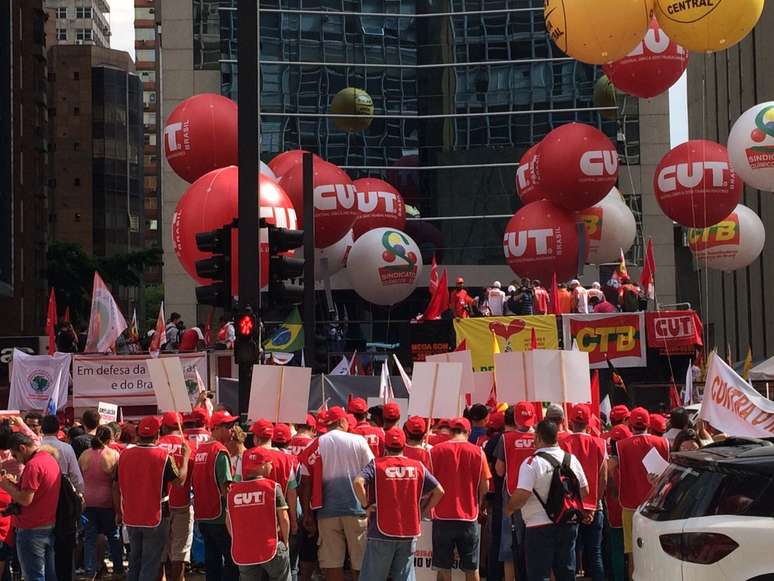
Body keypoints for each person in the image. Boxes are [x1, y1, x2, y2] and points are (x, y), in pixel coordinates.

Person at [354, 427, 444, 581]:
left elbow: (358, 482)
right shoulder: (418, 466)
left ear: (385, 446)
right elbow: (440, 491)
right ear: (404, 445)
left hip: (380, 532)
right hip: (409, 532)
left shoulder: (377, 464)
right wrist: (423, 511)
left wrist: (366, 506)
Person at [506, 420, 589, 581]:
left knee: (539, 574)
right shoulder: (572, 460)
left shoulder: (532, 463)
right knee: (566, 573)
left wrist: (509, 509)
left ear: (537, 437)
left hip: (538, 527)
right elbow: (585, 491)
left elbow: (522, 495)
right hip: (567, 522)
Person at [299, 406, 373, 581]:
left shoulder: (315, 444)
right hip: (357, 509)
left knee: (332, 563)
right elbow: (372, 472)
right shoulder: (359, 441)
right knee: (360, 561)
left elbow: (306, 481)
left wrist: (308, 513)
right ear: (342, 421)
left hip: (326, 512)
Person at [117, 416, 190, 581]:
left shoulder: (124, 455)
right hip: (155, 516)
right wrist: (185, 458)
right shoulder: (163, 456)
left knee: (135, 560)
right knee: (150, 562)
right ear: (158, 434)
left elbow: (116, 484)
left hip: (131, 516)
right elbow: (180, 481)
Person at [430, 417, 491, 581]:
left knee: (443, 570)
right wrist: (480, 504)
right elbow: (485, 486)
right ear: (468, 432)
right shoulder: (478, 452)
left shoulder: (435, 451)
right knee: (472, 569)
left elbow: (429, 486)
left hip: (442, 516)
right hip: (469, 516)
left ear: (450, 432)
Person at [616, 407, 669, 578]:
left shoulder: (621, 445)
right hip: (657, 507)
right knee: (658, 553)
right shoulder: (663, 443)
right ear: (648, 424)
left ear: (630, 424)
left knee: (633, 554)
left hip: (630, 506)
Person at [0, 432, 61, 581]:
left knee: (34, 575)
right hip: (47, 525)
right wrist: (14, 485)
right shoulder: (48, 459)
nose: (16, 460)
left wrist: (5, 486)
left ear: (22, 448)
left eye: (15, 455)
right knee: (48, 574)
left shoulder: (33, 465)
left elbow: (25, 500)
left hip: (31, 529)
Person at [226, 447, 292, 581]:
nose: (272, 466)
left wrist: (238, 540)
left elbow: (228, 521)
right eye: (269, 463)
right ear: (261, 466)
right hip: (271, 547)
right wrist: (285, 542)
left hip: (245, 551)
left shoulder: (233, 491)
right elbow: (284, 518)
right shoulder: (272, 487)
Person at [561, 405, 607, 581]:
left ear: (571, 422)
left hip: (569, 506)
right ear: (589, 423)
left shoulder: (563, 443)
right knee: (595, 552)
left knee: (570, 551)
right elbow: (603, 477)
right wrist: (595, 504)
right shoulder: (600, 443)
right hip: (594, 505)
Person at [192, 410, 240, 581]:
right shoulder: (219, 451)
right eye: (229, 426)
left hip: (203, 516)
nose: (232, 430)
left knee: (212, 560)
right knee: (232, 560)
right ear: (218, 428)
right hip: (220, 517)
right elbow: (226, 487)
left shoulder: (200, 450)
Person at [494, 402, 536, 581]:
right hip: (536, 497)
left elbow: (499, 470)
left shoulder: (506, 438)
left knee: (508, 543)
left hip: (512, 495)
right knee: (535, 543)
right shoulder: (541, 437)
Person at [41, 414, 83, 581]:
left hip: (42, 497)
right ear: (58, 429)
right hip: (63, 499)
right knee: (64, 543)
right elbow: (77, 477)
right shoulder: (66, 448)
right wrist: (80, 497)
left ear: (42, 429)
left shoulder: (37, 446)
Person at [79, 425, 123, 579]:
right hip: (107, 501)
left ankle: (90, 572)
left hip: (87, 501)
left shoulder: (84, 455)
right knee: (113, 536)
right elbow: (117, 483)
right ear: (109, 439)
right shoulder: (114, 455)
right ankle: (118, 569)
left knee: (90, 538)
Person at [158, 412, 196, 581]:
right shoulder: (189, 446)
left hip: (160, 505)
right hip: (183, 503)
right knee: (180, 550)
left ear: (164, 427)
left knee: (160, 549)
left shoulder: (157, 445)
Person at [604, 424, 631, 581]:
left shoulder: (608, 462)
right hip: (630, 510)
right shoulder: (632, 457)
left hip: (615, 511)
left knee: (617, 550)